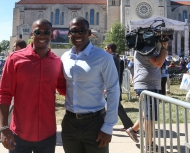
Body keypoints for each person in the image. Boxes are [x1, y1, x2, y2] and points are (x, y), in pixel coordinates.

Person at [0, 19, 66, 153]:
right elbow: (4, 94)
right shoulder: (15, 59)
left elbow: (65, 89)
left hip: (48, 135)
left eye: (46, 32)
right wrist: (4, 128)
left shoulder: (57, 62)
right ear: (31, 34)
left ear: (52, 35)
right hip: (19, 134)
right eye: (38, 32)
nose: (42, 35)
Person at [61, 17, 120, 153]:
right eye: (74, 31)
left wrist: (108, 126)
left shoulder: (103, 57)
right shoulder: (65, 57)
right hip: (70, 123)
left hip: (95, 123)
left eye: (82, 30)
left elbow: (113, 90)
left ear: (88, 33)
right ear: (69, 34)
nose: (78, 34)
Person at [125, 39, 168, 152]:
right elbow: (159, 63)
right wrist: (164, 47)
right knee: (150, 118)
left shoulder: (142, 47)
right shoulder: (145, 48)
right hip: (148, 85)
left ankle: (133, 130)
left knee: (147, 112)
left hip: (146, 85)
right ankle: (149, 145)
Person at [105, 43, 133, 131]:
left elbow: (111, 73)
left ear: (110, 49)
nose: (104, 49)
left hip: (111, 86)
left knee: (114, 106)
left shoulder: (111, 57)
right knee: (116, 106)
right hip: (113, 85)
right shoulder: (114, 57)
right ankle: (128, 123)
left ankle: (127, 124)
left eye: (106, 48)